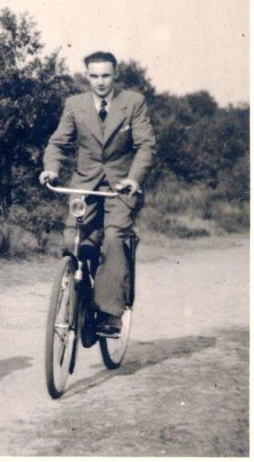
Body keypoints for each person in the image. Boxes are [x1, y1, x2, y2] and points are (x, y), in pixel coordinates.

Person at [39, 51, 156, 335]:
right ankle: (83, 291)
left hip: (120, 187)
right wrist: (51, 169)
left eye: (106, 75)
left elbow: (146, 146)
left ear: (115, 75)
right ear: (87, 76)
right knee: (74, 240)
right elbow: (57, 144)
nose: (100, 82)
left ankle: (108, 313)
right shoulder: (75, 104)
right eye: (94, 76)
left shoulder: (133, 103)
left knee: (115, 238)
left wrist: (133, 178)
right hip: (84, 184)